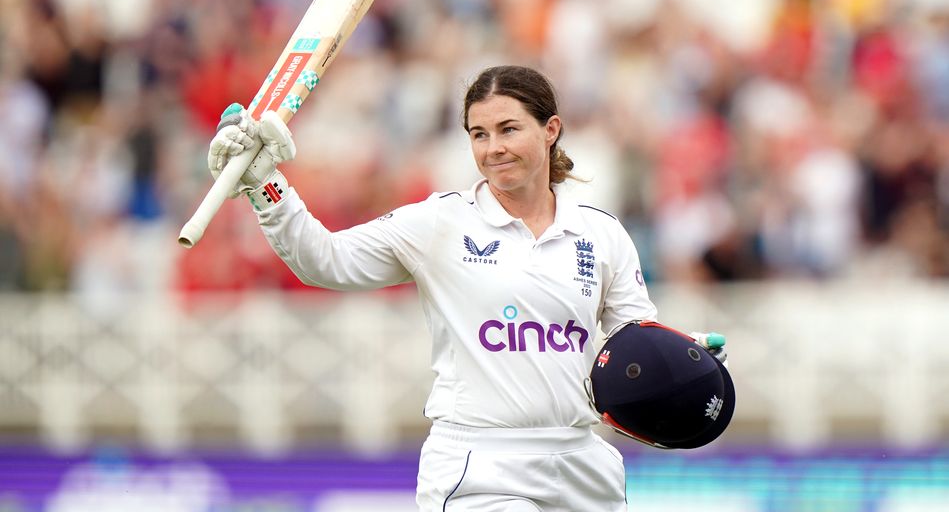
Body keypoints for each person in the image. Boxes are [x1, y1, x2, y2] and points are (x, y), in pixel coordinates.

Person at [207, 65, 722, 510]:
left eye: (508, 129)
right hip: (480, 462)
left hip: (581, 459)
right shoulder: (440, 222)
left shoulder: (601, 231)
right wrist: (265, 183)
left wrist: (681, 355)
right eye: (479, 134)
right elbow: (325, 261)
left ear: (551, 130)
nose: (493, 148)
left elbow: (632, 340)